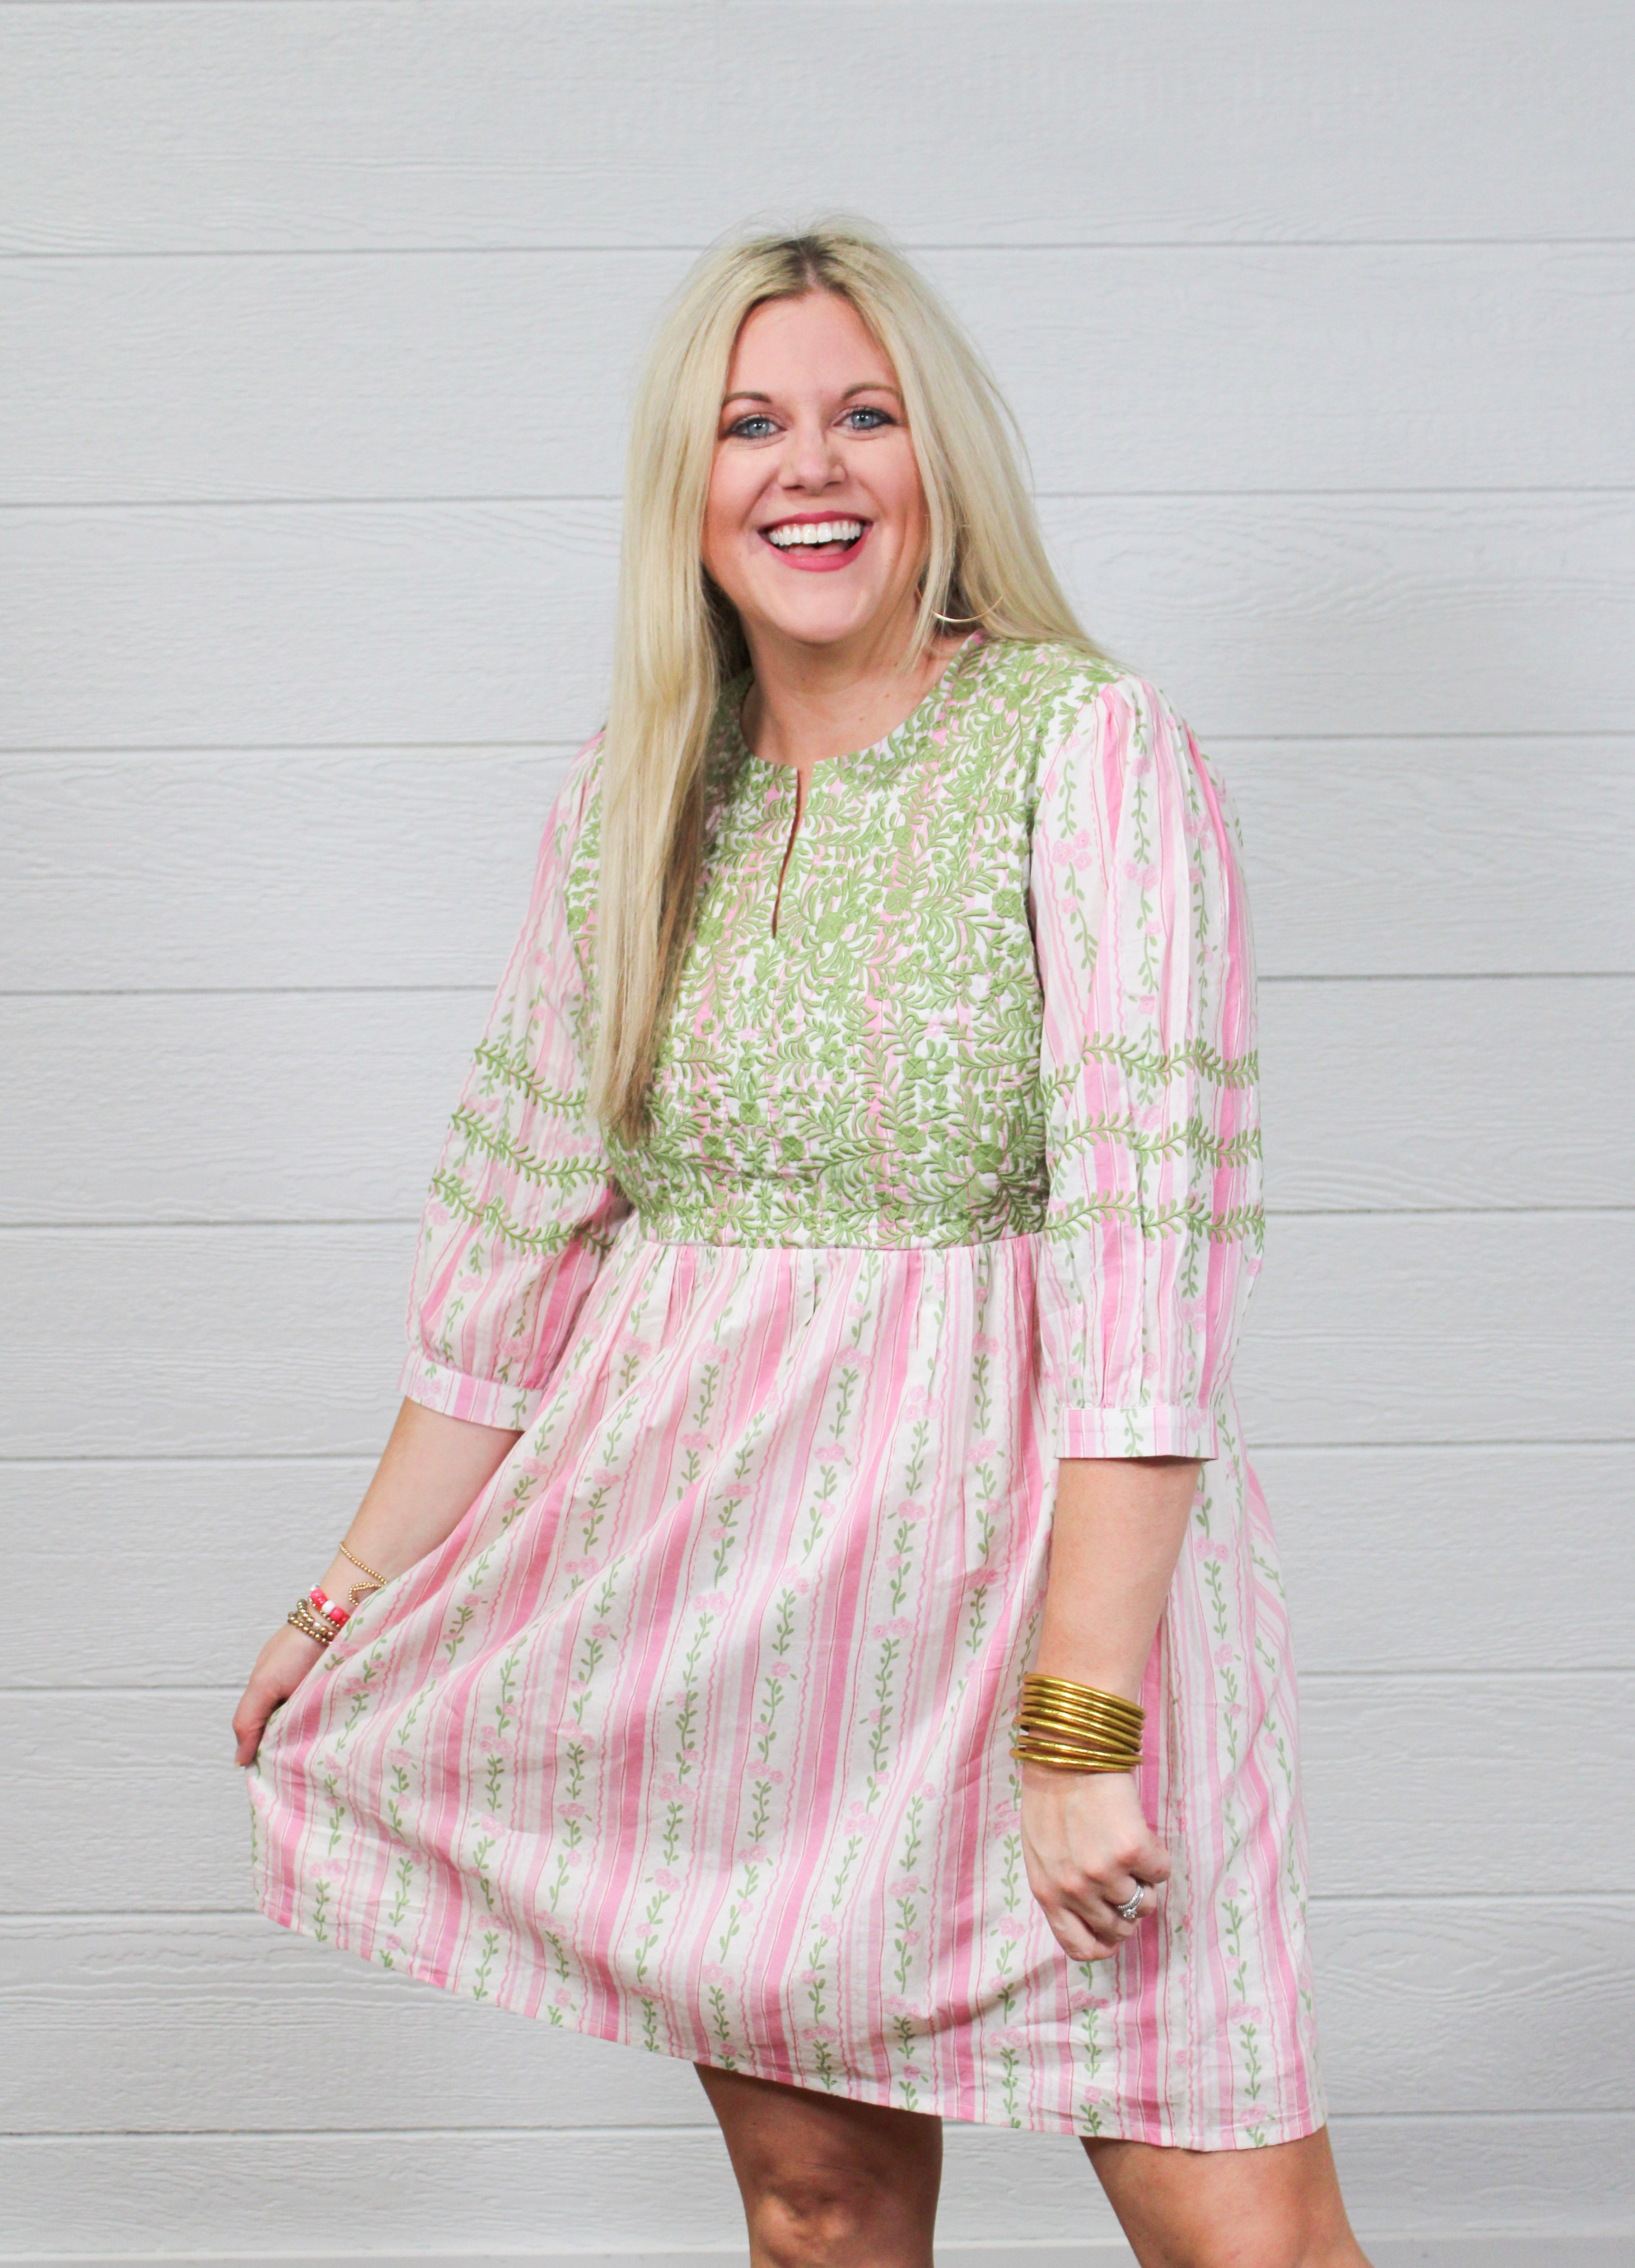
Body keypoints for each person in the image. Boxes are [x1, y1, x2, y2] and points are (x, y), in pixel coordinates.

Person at [235, 220, 1371, 2268]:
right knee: (819, 2211)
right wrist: (345, 1601)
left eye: (865, 416)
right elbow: (511, 1258)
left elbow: (1151, 1281)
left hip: (1045, 1619)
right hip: (742, 1627)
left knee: (1246, 2236)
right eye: (751, 424)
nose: (809, 465)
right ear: (689, 487)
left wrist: (1078, 1722)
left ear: (939, 467)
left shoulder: (1082, 748)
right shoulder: (637, 798)